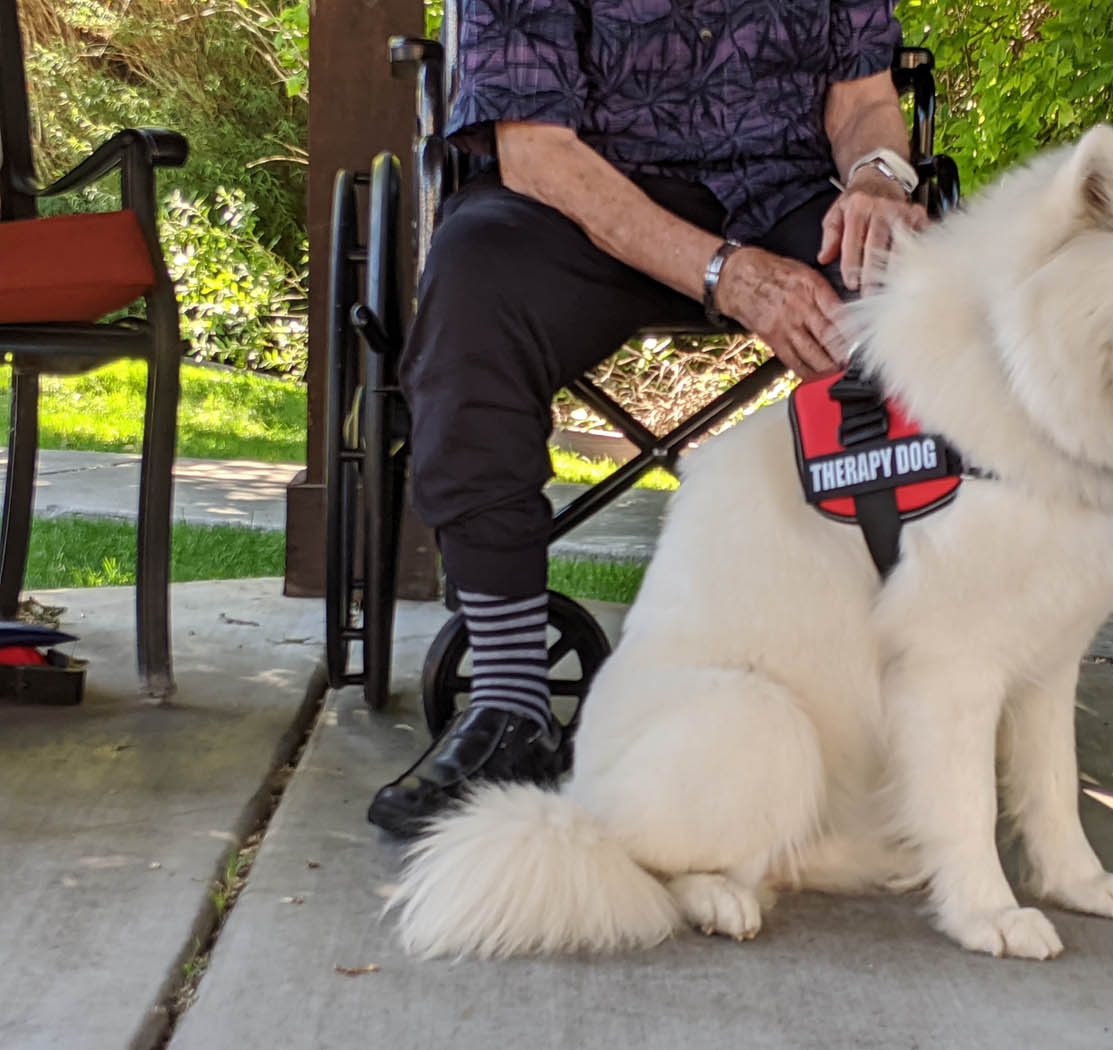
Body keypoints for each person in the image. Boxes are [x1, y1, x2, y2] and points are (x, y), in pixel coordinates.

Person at [368, 0, 930, 837]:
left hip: (787, 191)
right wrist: (724, 275)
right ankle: (512, 703)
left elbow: (862, 99)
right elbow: (537, 153)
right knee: (471, 289)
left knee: (919, 308)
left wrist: (877, 179)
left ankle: (911, 698)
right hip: (585, 201)